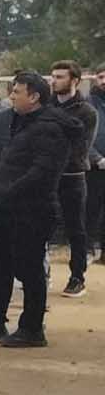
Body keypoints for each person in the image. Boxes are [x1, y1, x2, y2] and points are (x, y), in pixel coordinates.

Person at [0, 73, 80, 348]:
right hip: (9, 205)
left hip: (34, 208)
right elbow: (1, 156)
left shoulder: (50, 127)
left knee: (29, 268)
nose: (11, 96)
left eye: (17, 92)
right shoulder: (20, 121)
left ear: (34, 97)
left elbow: (43, 171)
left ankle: (32, 328)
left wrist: (7, 189)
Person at [48, 61, 98, 297]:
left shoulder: (87, 112)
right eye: (53, 76)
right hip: (45, 176)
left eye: (59, 77)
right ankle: (39, 274)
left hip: (72, 177)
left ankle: (77, 276)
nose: (54, 80)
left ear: (74, 80)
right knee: (39, 224)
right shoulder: (45, 106)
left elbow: (80, 146)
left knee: (75, 228)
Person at [89, 65, 105, 272]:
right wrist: (97, 158)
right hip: (92, 168)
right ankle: (87, 250)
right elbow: (82, 137)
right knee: (90, 210)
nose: (104, 81)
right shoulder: (88, 104)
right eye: (101, 76)